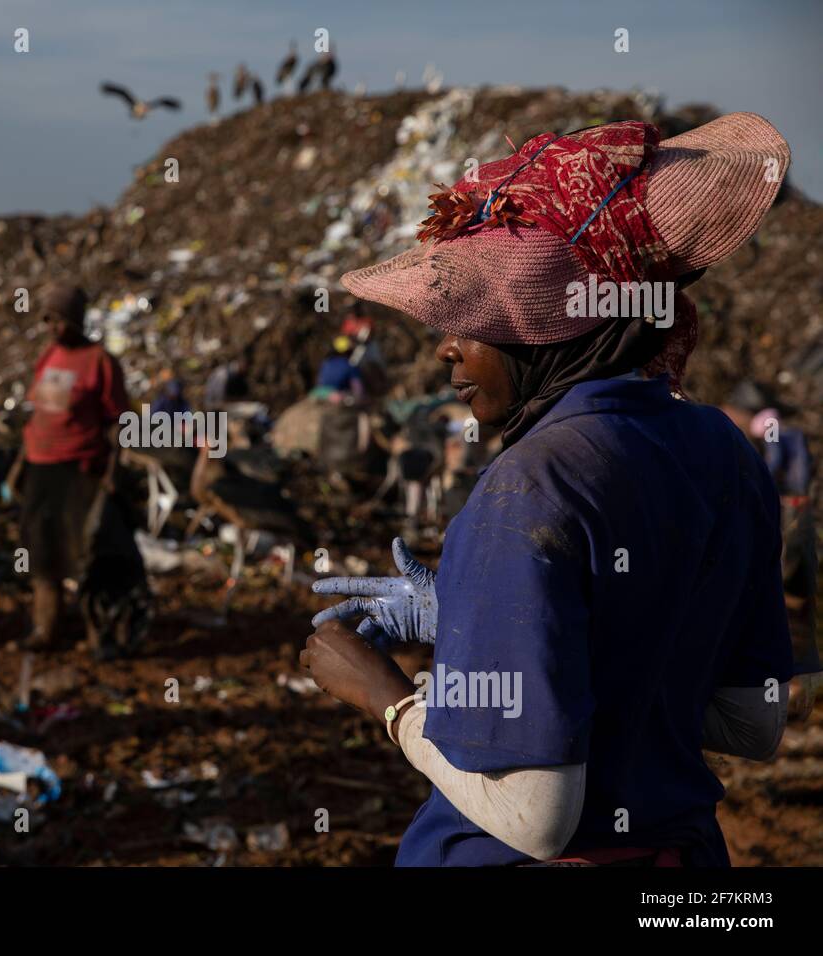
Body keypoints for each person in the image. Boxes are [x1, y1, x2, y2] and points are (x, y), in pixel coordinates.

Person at [304, 113, 798, 866]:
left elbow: (536, 820)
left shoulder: (527, 487)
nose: (446, 347)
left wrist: (388, 697)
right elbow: (753, 723)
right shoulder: (723, 451)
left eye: (475, 321)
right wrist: (478, 616)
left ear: (550, 330)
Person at [10, 282, 148, 659]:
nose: (52, 327)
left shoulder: (100, 362)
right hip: (41, 470)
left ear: (75, 320)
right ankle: (45, 628)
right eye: (47, 320)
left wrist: (112, 473)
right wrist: (20, 467)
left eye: (58, 319)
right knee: (43, 554)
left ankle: (99, 635)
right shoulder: (49, 356)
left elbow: (119, 422)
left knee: (89, 555)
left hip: (81, 471)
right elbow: (37, 416)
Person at [721, 384, 821, 718]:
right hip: (794, 507)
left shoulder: (770, 426)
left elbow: (776, 463)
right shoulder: (782, 430)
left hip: (787, 510)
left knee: (784, 589)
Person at [313, 335, 365, 402]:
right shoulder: (350, 366)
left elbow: (320, 381)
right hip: (337, 396)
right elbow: (358, 389)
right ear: (349, 351)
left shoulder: (326, 363)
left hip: (320, 392)